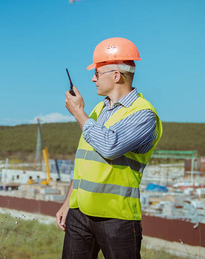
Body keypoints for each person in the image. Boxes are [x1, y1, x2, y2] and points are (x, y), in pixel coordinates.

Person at [56, 37, 163, 259]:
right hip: (80, 213)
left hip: (116, 218)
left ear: (116, 75)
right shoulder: (97, 110)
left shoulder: (143, 114)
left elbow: (109, 146)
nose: (93, 78)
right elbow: (84, 163)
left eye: (97, 72)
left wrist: (78, 113)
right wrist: (68, 202)